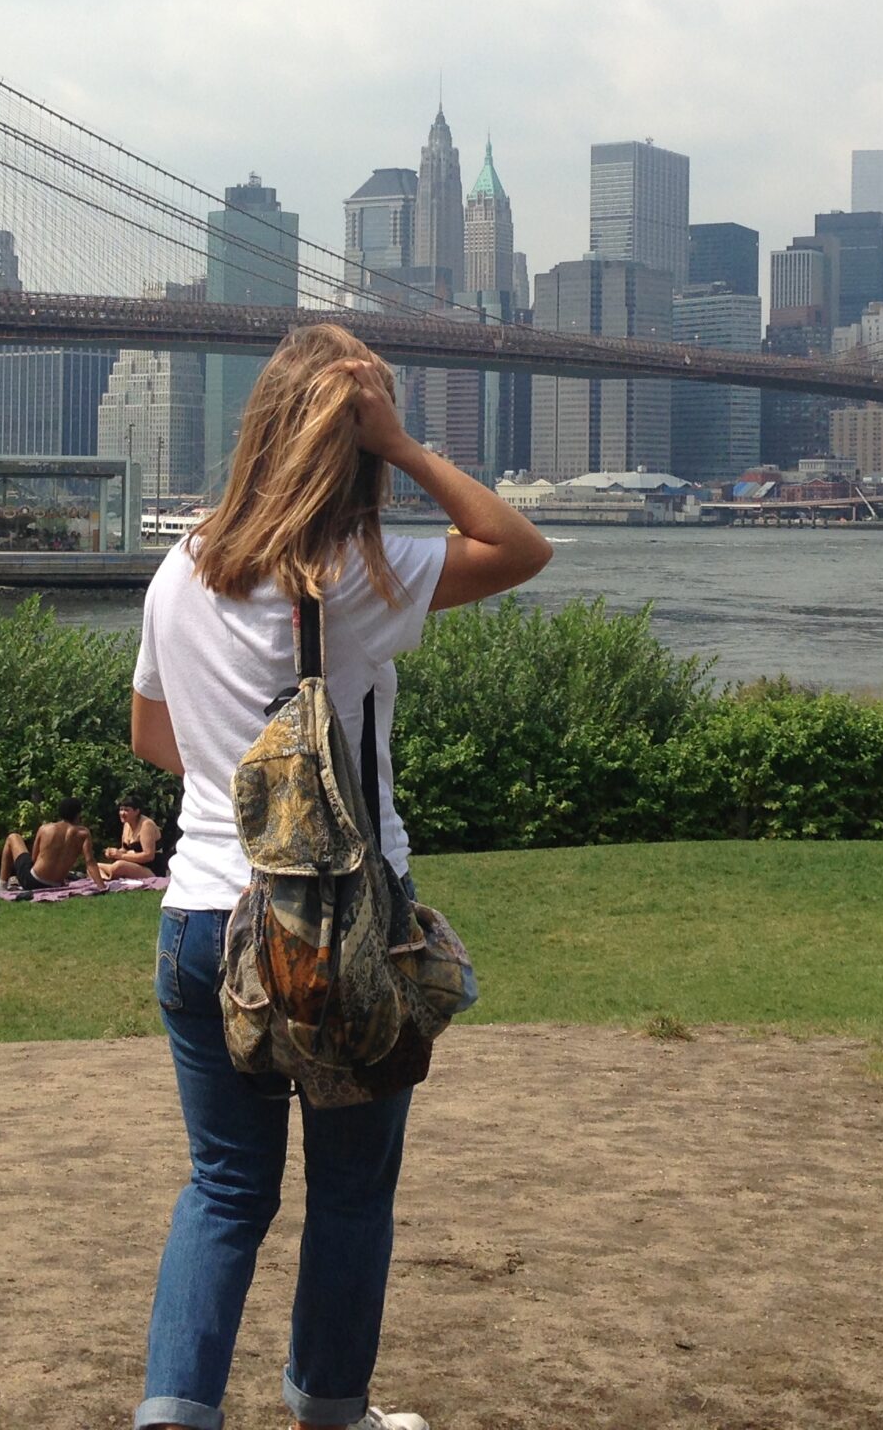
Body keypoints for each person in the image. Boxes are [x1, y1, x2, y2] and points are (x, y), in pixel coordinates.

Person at [127, 325, 551, 1430]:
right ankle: (329, 1409)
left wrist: (247, 773)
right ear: (353, 443)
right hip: (335, 936)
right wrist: (404, 447)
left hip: (198, 921)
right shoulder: (361, 573)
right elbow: (519, 548)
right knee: (351, 1192)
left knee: (225, 1188)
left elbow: (153, 741)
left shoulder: (180, 566)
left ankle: (173, 1415)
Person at [0, 798, 95, 891]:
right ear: (78, 814)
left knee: (13, 837)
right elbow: (90, 862)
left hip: (33, 882)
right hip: (56, 884)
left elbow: (34, 859)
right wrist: (101, 887)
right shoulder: (84, 833)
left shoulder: (45, 829)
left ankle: (1, 885)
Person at [95, 799, 165, 882]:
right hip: (132, 865)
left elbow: (149, 856)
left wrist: (121, 856)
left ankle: (109, 877)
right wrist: (113, 853)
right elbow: (124, 849)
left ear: (136, 811)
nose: (122, 813)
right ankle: (105, 881)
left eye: (126, 810)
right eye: (121, 810)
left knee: (119, 866)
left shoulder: (146, 825)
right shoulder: (126, 824)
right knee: (94, 866)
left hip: (151, 869)